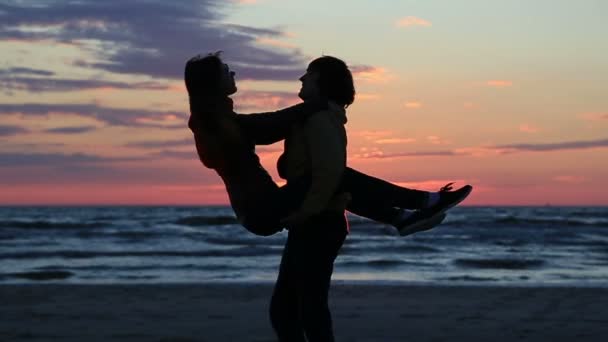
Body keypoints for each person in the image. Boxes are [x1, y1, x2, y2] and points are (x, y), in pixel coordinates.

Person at [185, 52, 472, 238]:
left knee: (338, 180)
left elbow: (266, 128)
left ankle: (402, 216)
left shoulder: (218, 120)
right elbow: (268, 126)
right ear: (211, 83)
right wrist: (317, 104)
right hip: (261, 210)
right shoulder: (214, 124)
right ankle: (420, 203)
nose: (232, 73)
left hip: (259, 209)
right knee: (339, 176)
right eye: (226, 70)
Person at [269, 56, 349, 341]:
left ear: (322, 82)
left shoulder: (319, 117)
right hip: (316, 220)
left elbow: (328, 172)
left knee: (304, 311)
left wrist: (306, 212)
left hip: (319, 220)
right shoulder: (313, 116)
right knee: (290, 311)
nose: (302, 79)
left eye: (309, 74)